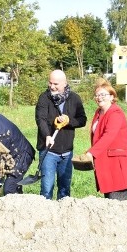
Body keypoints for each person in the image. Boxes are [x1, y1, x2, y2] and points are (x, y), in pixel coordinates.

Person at [34, 69, 87, 199]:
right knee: (46, 189)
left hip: (67, 153)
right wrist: (47, 135)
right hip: (48, 152)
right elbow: (40, 119)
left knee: (64, 189)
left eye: (56, 84)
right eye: (50, 83)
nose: (52, 86)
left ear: (65, 83)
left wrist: (69, 121)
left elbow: (82, 120)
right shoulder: (44, 98)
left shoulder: (74, 98)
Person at [82, 78, 127, 200]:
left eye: (103, 95)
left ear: (112, 97)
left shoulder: (115, 113)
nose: (99, 97)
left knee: (119, 200)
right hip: (105, 161)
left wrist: (92, 152)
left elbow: (109, 135)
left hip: (117, 162)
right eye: (97, 95)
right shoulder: (99, 112)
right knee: (109, 197)